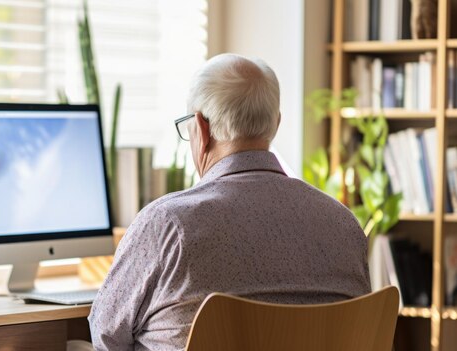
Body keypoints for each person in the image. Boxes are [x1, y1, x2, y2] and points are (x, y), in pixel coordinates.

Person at [87, 53, 371, 351]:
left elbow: (106, 336)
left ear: (201, 129)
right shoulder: (344, 224)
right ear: (275, 124)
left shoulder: (169, 225)